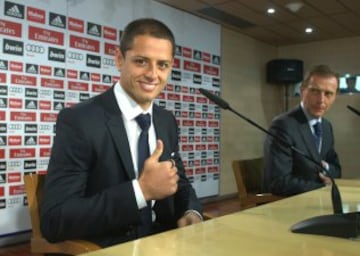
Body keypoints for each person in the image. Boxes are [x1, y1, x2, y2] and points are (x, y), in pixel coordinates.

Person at [40, 18, 203, 247]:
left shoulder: (166, 121)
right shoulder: (79, 121)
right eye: (141, 61)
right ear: (119, 59)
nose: (152, 74)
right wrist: (141, 190)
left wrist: (191, 210)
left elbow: (179, 182)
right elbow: (55, 220)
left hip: (167, 245)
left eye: (162, 65)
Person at [263, 64, 342, 196]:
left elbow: (336, 169)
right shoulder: (282, 125)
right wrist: (323, 186)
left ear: (335, 97)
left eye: (328, 93)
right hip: (289, 205)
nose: (321, 100)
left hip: (319, 201)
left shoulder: (326, 126)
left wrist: (326, 168)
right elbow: (278, 182)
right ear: (302, 90)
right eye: (315, 91)